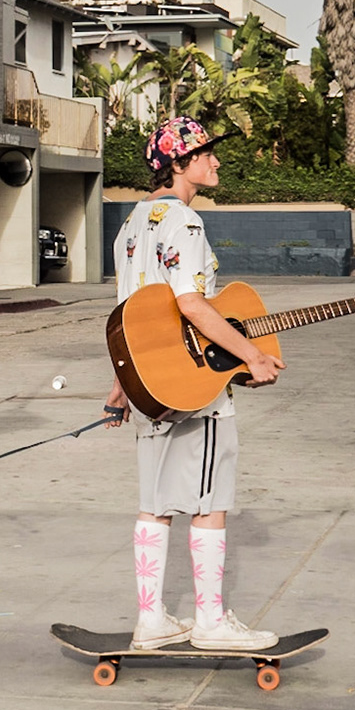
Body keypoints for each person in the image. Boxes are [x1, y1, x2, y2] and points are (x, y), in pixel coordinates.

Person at [103, 115, 285, 652]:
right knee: (210, 498)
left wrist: (122, 382)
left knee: (155, 499)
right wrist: (251, 354)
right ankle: (209, 622)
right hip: (193, 389)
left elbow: (132, 315)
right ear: (178, 164)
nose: (216, 160)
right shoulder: (183, 222)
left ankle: (152, 619)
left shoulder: (132, 223)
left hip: (149, 383)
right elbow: (189, 304)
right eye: (206, 153)